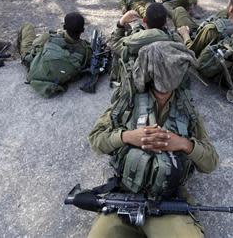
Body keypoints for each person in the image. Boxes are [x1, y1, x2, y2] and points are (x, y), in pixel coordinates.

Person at [87, 41, 219, 238]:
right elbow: (96, 140)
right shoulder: (128, 101)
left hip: (167, 203)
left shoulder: (187, 110)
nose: (164, 90)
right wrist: (127, 136)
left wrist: (184, 144)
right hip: (125, 196)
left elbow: (210, 162)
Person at [17, 12, 92, 98]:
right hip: (57, 78)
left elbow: (35, 44)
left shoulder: (49, 37)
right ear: (82, 30)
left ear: (64, 27)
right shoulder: (85, 50)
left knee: (27, 26)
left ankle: (21, 57)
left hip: (34, 65)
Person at [109, 3, 182, 82]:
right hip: (165, 78)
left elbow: (114, 43)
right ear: (165, 22)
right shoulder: (173, 38)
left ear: (144, 20)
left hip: (139, 78)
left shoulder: (134, 40)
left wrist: (121, 22)